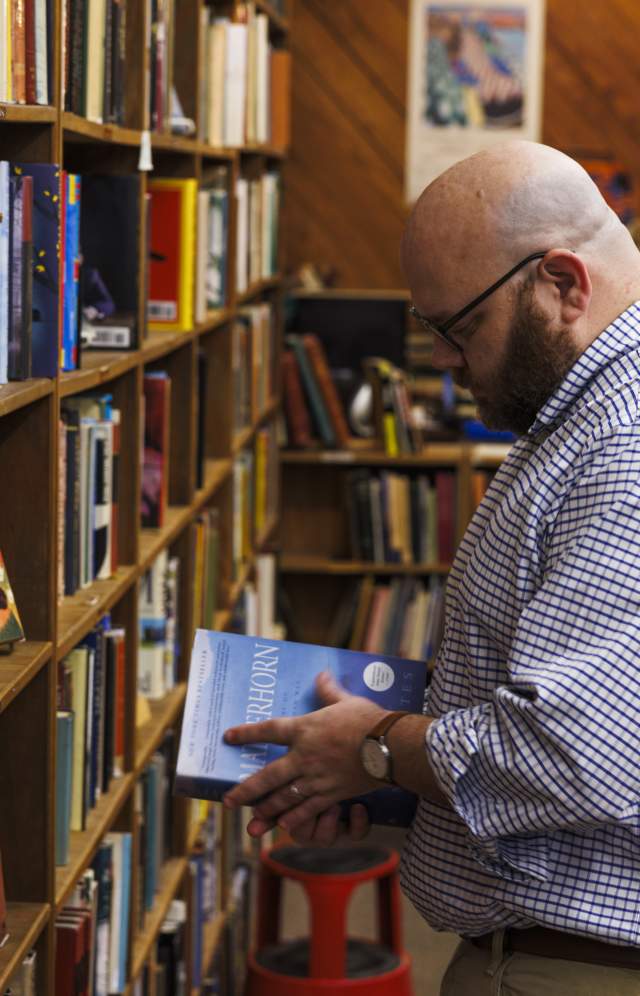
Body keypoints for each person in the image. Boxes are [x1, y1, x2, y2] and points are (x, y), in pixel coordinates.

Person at [223, 141, 640, 994]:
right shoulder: (579, 416)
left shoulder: (622, 447)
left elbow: (581, 753)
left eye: (459, 330)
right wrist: (384, 776)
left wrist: (378, 748)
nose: (444, 365)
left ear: (563, 284)